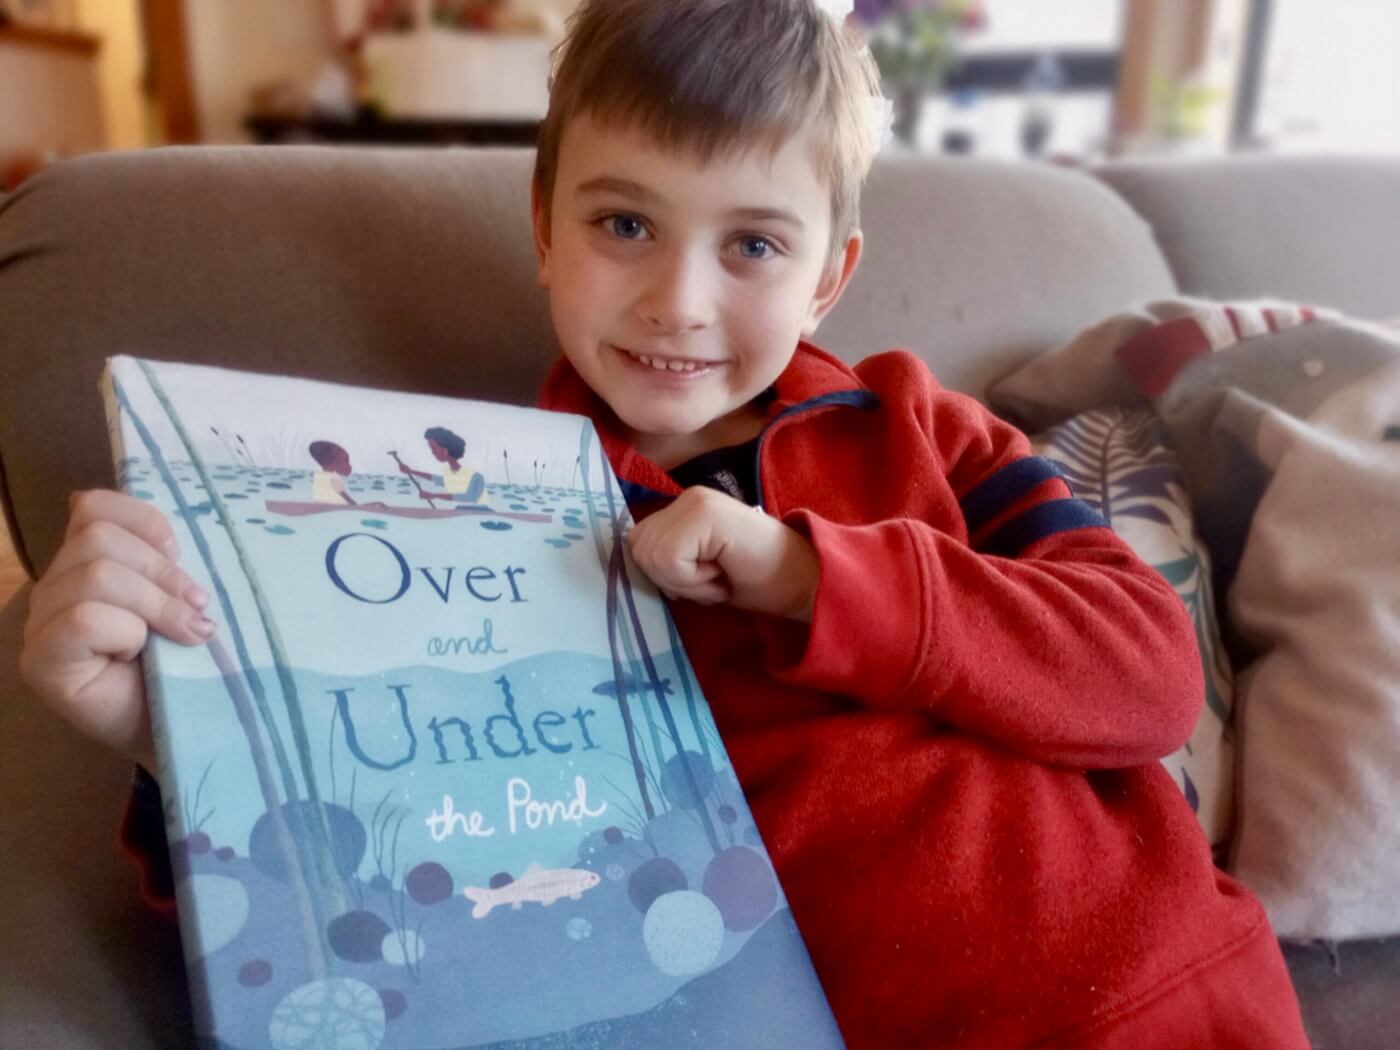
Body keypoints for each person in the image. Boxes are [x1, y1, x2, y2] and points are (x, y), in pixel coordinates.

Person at [18, 0, 1310, 1045]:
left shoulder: (931, 428)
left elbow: (1146, 675)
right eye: (625, 223)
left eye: (752, 245)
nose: (678, 301)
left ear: (829, 276)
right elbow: (411, 930)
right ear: (543, 226)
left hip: (1188, 993)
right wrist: (174, 739)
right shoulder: (468, 522)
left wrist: (814, 579)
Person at [396, 425, 489, 505]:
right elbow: (437, 479)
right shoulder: (453, 473)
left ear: (445, 451)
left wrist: (434, 495)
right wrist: (411, 471)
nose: (432, 453)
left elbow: (470, 498)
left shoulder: (476, 477)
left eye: (433, 449)